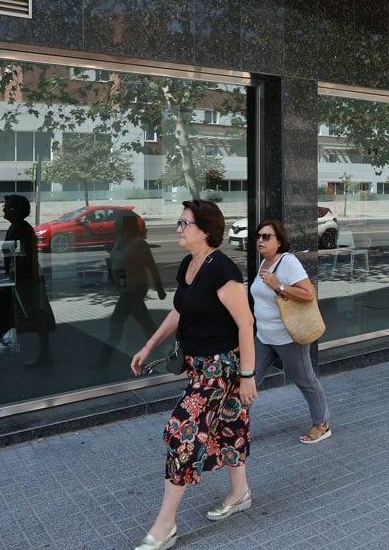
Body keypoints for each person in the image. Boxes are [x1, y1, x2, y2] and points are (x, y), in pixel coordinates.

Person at [129, 200, 257, 550]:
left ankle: (165, 524)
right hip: (198, 365)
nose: (178, 228)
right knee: (230, 426)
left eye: (184, 223)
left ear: (205, 231)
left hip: (221, 367)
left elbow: (245, 324)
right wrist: (149, 346)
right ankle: (240, 492)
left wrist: (248, 376)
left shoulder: (223, 270)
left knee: (180, 433)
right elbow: (179, 310)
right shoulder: (190, 264)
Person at [249, 219, 332, 445]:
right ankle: (235, 428)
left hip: (288, 338)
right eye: (258, 236)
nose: (260, 240)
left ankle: (322, 424)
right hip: (264, 337)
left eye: (266, 236)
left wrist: (279, 285)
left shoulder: (287, 262)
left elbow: (308, 294)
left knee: (306, 381)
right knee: (248, 382)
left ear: (279, 241)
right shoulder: (264, 262)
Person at [0, 194, 55, 369]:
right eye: (5, 207)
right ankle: (44, 355)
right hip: (21, 282)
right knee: (32, 316)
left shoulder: (22, 229)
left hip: (23, 283)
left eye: (7, 207)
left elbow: (25, 257)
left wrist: (13, 278)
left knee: (0, 314)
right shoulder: (16, 227)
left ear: (17, 211)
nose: (4, 210)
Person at [93, 215, 166, 368]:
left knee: (117, 322)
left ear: (125, 227)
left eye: (117, 223)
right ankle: (160, 351)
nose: (114, 225)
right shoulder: (120, 240)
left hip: (133, 290)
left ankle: (103, 359)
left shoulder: (139, 244)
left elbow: (151, 266)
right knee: (145, 322)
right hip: (126, 289)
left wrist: (160, 289)